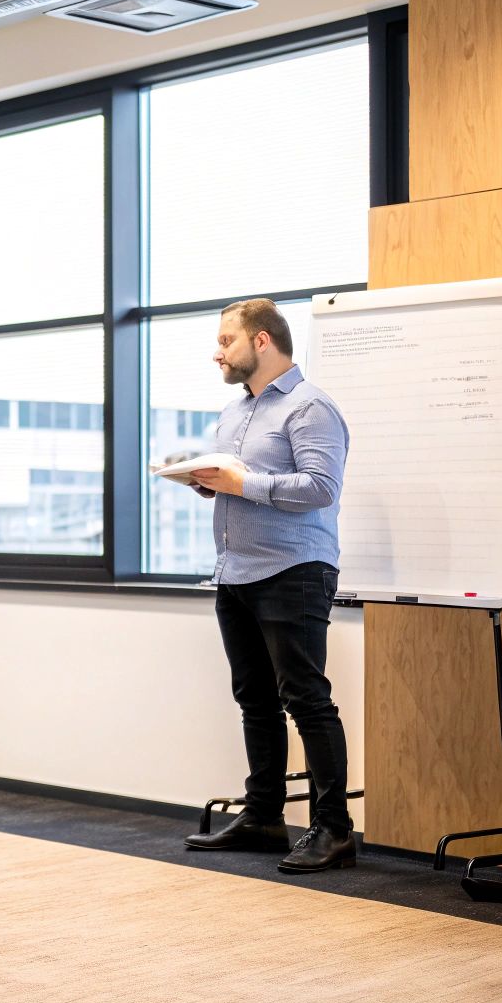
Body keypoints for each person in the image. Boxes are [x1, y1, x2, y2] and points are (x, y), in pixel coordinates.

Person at [183, 298, 356, 873]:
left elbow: (320, 487)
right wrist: (212, 484)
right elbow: (247, 482)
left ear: (261, 341)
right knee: (254, 700)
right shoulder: (236, 412)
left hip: (293, 570)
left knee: (306, 699)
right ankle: (263, 817)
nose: (217, 352)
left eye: (226, 341)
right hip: (235, 569)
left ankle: (334, 829)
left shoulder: (311, 408)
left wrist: (244, 481)